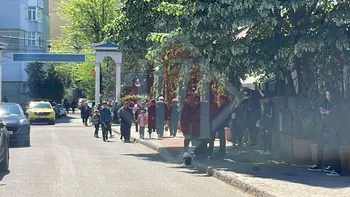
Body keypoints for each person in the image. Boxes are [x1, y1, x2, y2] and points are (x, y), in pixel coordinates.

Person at [309, 88, 343, 176]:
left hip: (336, 130)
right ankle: (328, 165)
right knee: (323, 146)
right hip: (326, 129)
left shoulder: (338, 105)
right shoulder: (327, 103)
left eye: (329, 95)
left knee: (334, 149)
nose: (327, 96)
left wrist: (328, 113)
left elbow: (338, 117)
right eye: (326, 95)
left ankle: (337, 169)